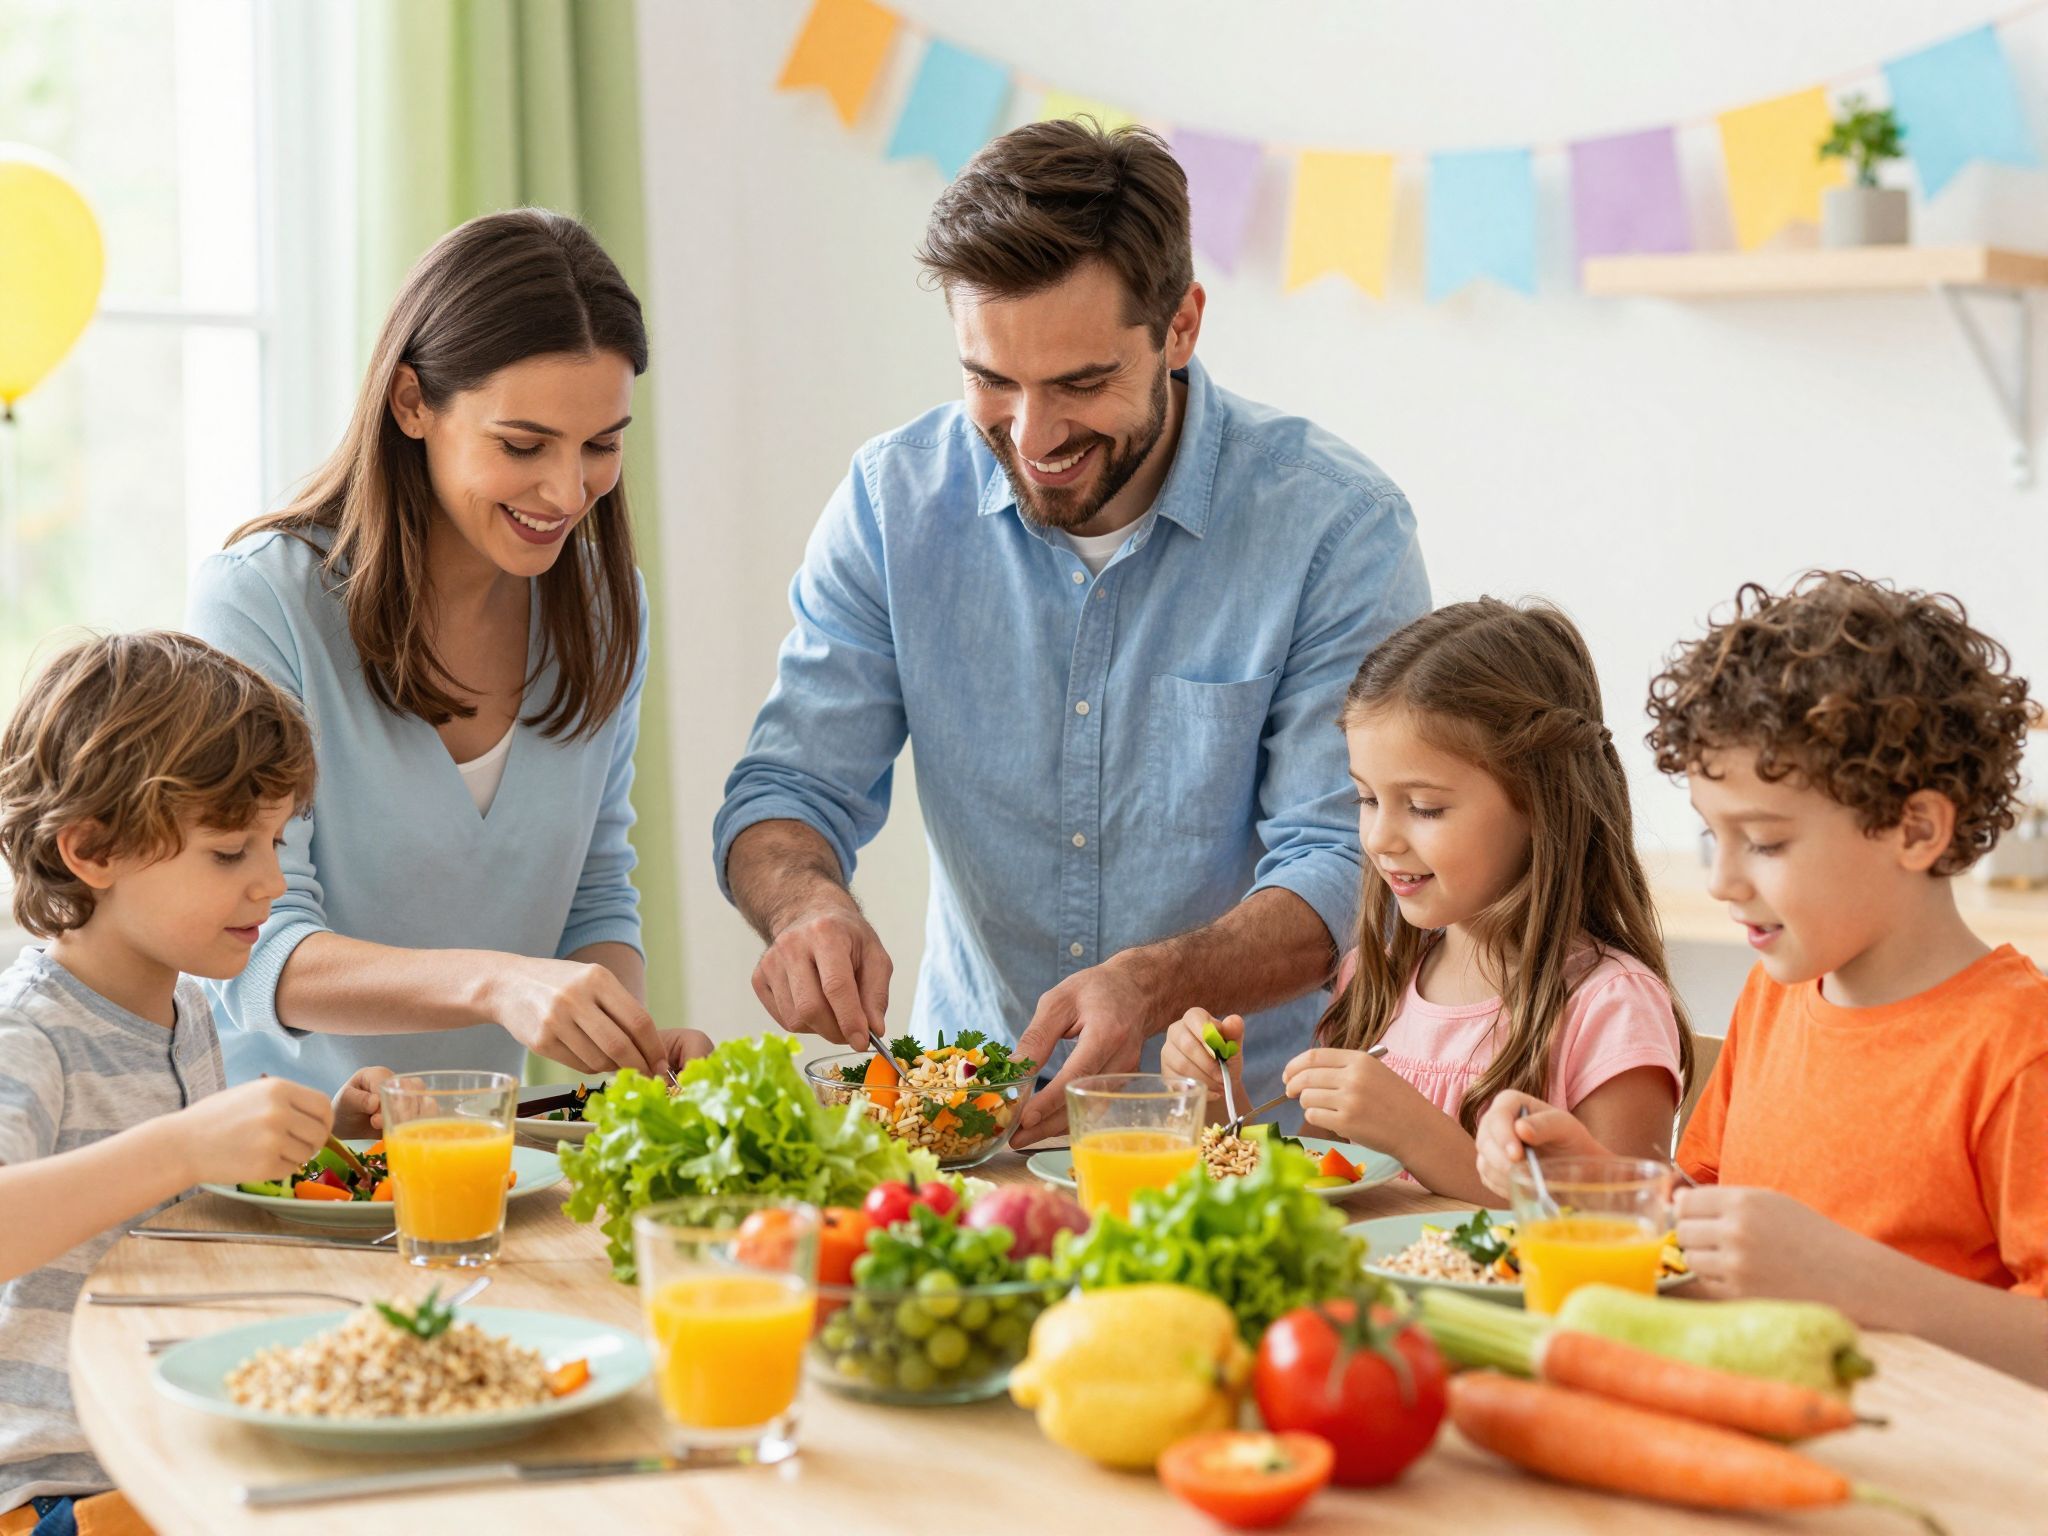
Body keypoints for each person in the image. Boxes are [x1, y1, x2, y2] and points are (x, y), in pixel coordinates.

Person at [715, 120, 1429, 1138]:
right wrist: (805, 908)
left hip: (1248, 1141)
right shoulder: (891, 504)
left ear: (1179, 327)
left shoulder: (1333, 529)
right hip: (969, 1138)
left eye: (1079, 384)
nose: (1032, 434)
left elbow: (1349, 864)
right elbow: (786, 791)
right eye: (990, 381)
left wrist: (1148, 983)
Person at [1477, 572, 2048, 1387]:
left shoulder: (2020, 1048)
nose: (1723, 881)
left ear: (1916, 828)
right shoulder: (1776, 995)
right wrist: (1588, 1174)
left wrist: (1852, 1280)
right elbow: (1703, 1223)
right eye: (1715, 840)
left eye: (1768, 843)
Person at [187, 209, 710, 1094]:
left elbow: (594, 895)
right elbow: (251, 947)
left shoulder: (603, 611)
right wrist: (499, 982)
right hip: (271, 1163)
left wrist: (627, 1041)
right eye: (522, 444)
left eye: (602, 445)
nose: (566, 489)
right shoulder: (262, 601)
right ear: (412, 404)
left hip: (474, 1165)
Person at [0, 633, 383, 1534]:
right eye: (228, 854)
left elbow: (188, 1182)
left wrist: (327, 1127)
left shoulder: (187, 1010)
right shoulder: (33, 1033)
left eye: (275, 843)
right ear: (91, 850)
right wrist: (184, 1145)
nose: (272, 883)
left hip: (165, 1455)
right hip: (62, 1494)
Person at [1163, 599, 1691, 1200]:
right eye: (1367, 799)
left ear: (1541, 803)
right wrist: (1217, 1108)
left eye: (1425, 807)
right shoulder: (1375, 976)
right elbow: (1325, 1190)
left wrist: (1418, 1134)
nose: (1381, 838)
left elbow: (1621, 1235)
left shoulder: (1610, 1009)